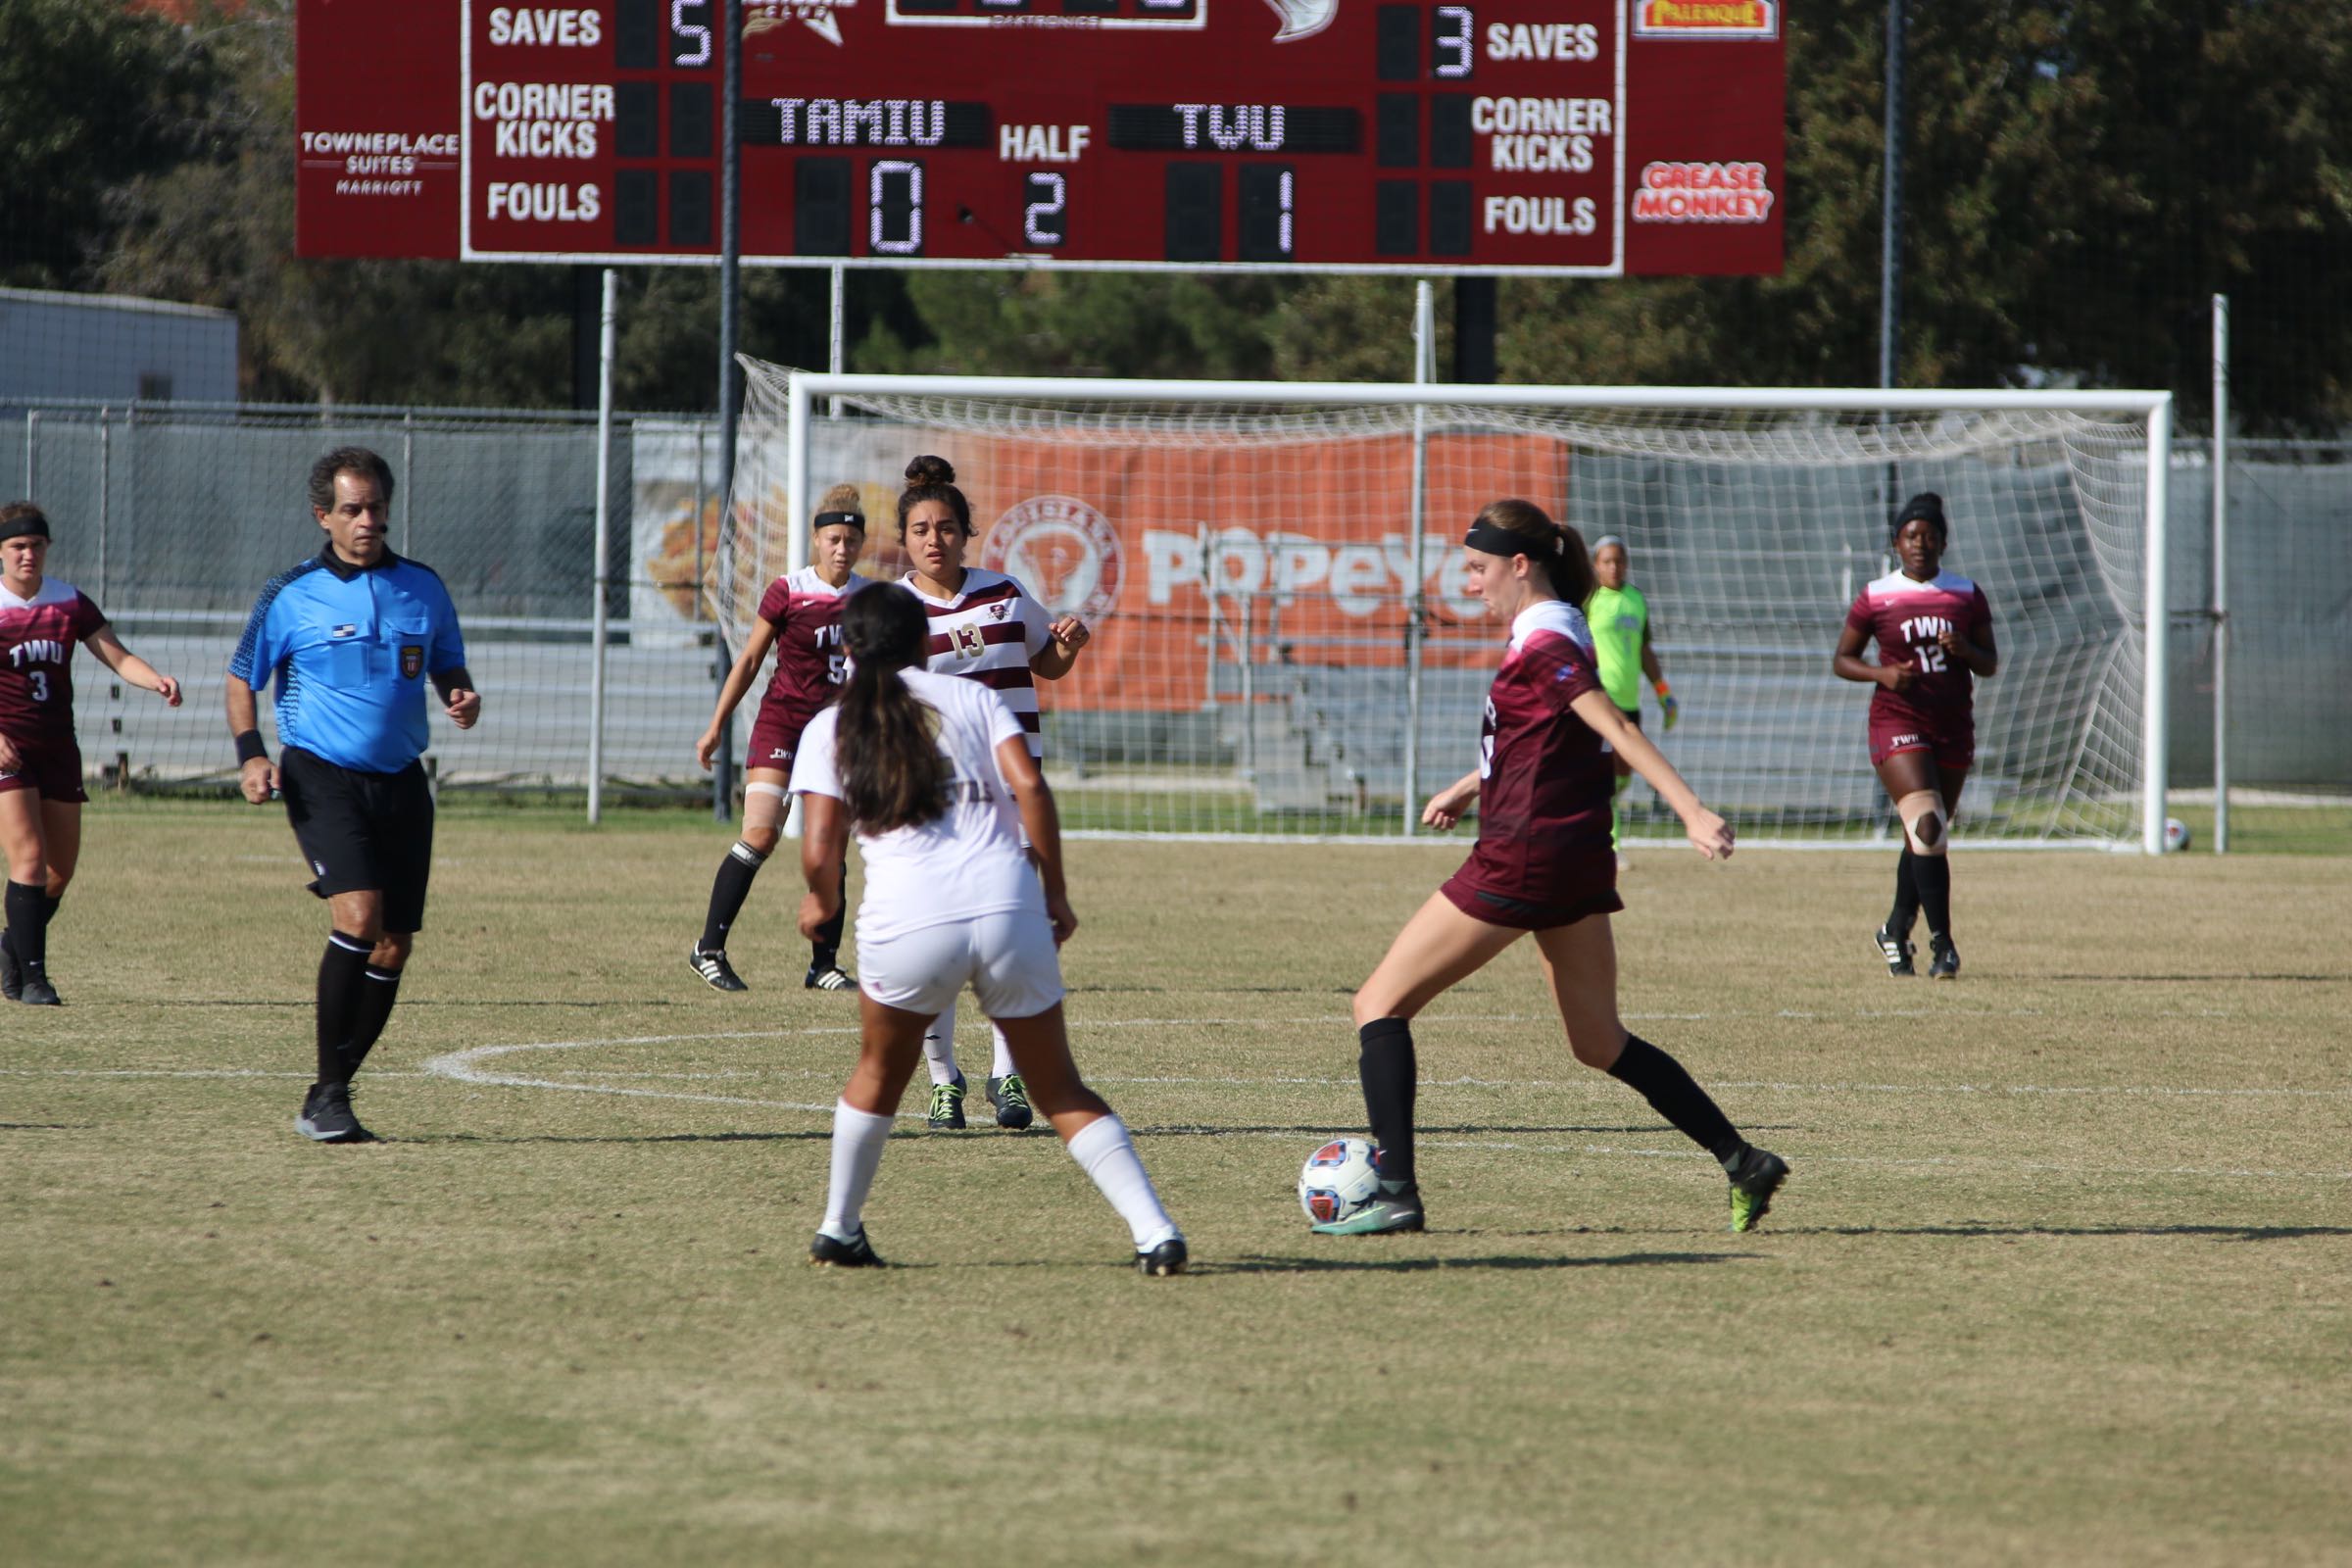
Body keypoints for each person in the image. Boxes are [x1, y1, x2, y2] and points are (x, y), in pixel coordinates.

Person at [1317, 499, 1789, 1238]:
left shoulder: (1545, 640)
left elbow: (1611, 723)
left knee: (1377, 1004)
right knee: (1598, 1042)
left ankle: (1397, 1191)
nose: (1469, 584)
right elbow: (1543, 734)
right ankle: (1742, 1161)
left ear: (1518, 565)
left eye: (1477, 570)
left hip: (1523, 856)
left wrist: (1691, 811)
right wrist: (1469, 784)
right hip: (1574, 859)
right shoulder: (1553, 630)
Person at [791, 586, 1185, 1274]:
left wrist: (820, 903)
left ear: (848, 652)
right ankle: (1155, 1232)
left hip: (907, 918)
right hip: (1006, 904)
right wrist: (1054, 892)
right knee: (1059, 1087)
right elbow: (1031, 789)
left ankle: (839, 1228)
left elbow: (820, 846)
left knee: (878, 1075)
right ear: (926, 643)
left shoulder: (830, 725)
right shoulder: (973, 700)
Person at [225, 448, 478, 1143]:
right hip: (321, 775)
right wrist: (252, 757)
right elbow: (242, 677)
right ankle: (331, 1093)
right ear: (323, 516)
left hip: (402, 781)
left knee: (394, 944)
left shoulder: (422, 587)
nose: (367, 519)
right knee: (360, 918)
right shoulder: (291, 592)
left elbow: (447, 661)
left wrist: (459, 694)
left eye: (376, 507)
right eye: (352, 509)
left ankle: (328, 1091)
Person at [891, 455, 1093, 1133]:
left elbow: (1047, 664)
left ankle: (1008, 1077)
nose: (934, 539)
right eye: (921, 529)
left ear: (966, 533)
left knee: (1016, 938)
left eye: (947, 527)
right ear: (905, 539)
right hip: (935, 799)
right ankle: (944, 1081)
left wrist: (1069, 643)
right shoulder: (895, 610)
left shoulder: (1005, 592)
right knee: (940, 944)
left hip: (1012, 793)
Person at [690, 484, 871, 993]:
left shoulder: (870, 598)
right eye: (833, 538)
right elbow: (748, 660)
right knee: (761, 834)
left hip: (834, 736)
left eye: (851, 540)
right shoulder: (788, 591)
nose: (842, 548)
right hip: (783, 725)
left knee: (831, 844)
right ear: (816, 540)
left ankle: (824, 966)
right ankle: (708, 949)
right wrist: (714, 727)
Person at [0, 502, 183, 1005]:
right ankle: (35, 978)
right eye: (17, 546)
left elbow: (117, 655)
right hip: (7, 753)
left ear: (47, 548)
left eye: (35, 546)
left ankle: (11, 947)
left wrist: (156, 681)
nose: (27, 555)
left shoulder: (68, 603)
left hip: (59, 748)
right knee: (30, 859)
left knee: (60, 871)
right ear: (1, 552)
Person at [1834, 492, 1997, 981]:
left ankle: (1894, 927)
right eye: (1910, 536)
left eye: (1928, 536)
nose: (1919, 544)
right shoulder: (1876, 595)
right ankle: (1943, 945)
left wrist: (1964, 647)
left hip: (1952, 727)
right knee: (1928, 826)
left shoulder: (1966, 593)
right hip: (1897, 722)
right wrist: (1881, 676)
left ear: (1943, 542)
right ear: (1896, 544)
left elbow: (1989, 663)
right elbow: (1842, 659)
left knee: (1926, 835)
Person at [1585, 534, 1677, 868]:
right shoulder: (1589, 600)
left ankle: (1592, 815)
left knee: (1625, 772)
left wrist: (1664, 693)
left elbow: (1643, 650)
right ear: (1595, 565)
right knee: (1607, 772)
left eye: (1619, 560)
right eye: (1607, 561)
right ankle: (1611, 846)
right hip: (1598, 700)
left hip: (1629, 701)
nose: (1614, 567)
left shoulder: (1636, 599)